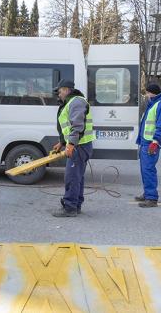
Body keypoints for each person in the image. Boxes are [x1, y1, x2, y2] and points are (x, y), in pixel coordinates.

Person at [51, 79, 95, 217]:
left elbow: (77, 126)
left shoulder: (76, 101)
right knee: (77, 177)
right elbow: (69, 126)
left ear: (66, 89)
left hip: (79, 147)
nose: (58, 94)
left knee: (72, 177)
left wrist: (71, 145)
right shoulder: (72, 102)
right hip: (80, 145)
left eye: (59, 91)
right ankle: (76, 205)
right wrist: (63, 142)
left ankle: (70, 208)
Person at [135, 83, 161, 208]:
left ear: (151, 93)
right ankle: (147, 193)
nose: (146, 95)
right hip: (146, 141)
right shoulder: (153, 104)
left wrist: (155, 142)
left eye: (146, 93)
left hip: (152, 142)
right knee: (145, 169)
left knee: (148, 169)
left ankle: (151, 198)